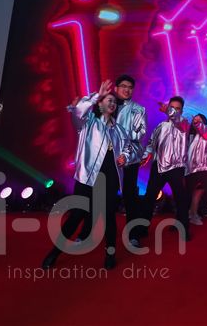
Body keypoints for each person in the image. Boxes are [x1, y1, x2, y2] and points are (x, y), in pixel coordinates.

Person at [42, 80, 129, 270]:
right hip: (88, 177)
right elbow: (78, 111)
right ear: (99, 103)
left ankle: (110, 254)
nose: (112, 103)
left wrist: (125, 156)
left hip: (110, 178)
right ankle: (54, 253)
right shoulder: (88, 123)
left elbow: (128, 148)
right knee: (77, 215)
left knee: (109, 216)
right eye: (108, 100)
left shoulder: (119, 130)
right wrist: (96, 95)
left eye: (114, 101)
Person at [139, 96, 191, 240]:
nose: (174, 111)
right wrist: (146, 156)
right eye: (171, 107)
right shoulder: (160, 126)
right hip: (158, 167)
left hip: (177, 168)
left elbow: (178, 120)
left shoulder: (184, 125)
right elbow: (151, 144)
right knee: (149, 198)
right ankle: (142, 229)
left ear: (182, 111)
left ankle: (184, 231)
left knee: (180, 200)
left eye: (177, 109)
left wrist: (168, 110)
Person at [113, 75, 147, 247]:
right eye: (123, 86)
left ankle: (133, 235)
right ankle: (90, 232)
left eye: (130, 87)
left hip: (129, 160)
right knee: (103, 197)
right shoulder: (108, 106)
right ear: (116, 88)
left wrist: (124, 153)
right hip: (109, 159)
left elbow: (139, 134)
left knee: (130, 197)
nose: (127, 89)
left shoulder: (138, 109)